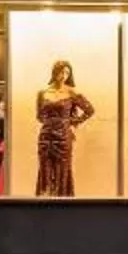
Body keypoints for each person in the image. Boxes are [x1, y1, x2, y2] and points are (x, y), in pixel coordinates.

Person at [36, 60, 96, 197]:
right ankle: (44, 204)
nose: (64, 75)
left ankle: (62, 204)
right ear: (54, 72)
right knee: (44, 169)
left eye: (67, 73)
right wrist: (51, 122)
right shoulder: (42, 93)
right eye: (61, 72)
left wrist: (71, 122)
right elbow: (39, 116)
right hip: (45, 137)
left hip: (63, 137)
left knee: (62, 170)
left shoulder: (71, 93)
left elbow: (90, 110)